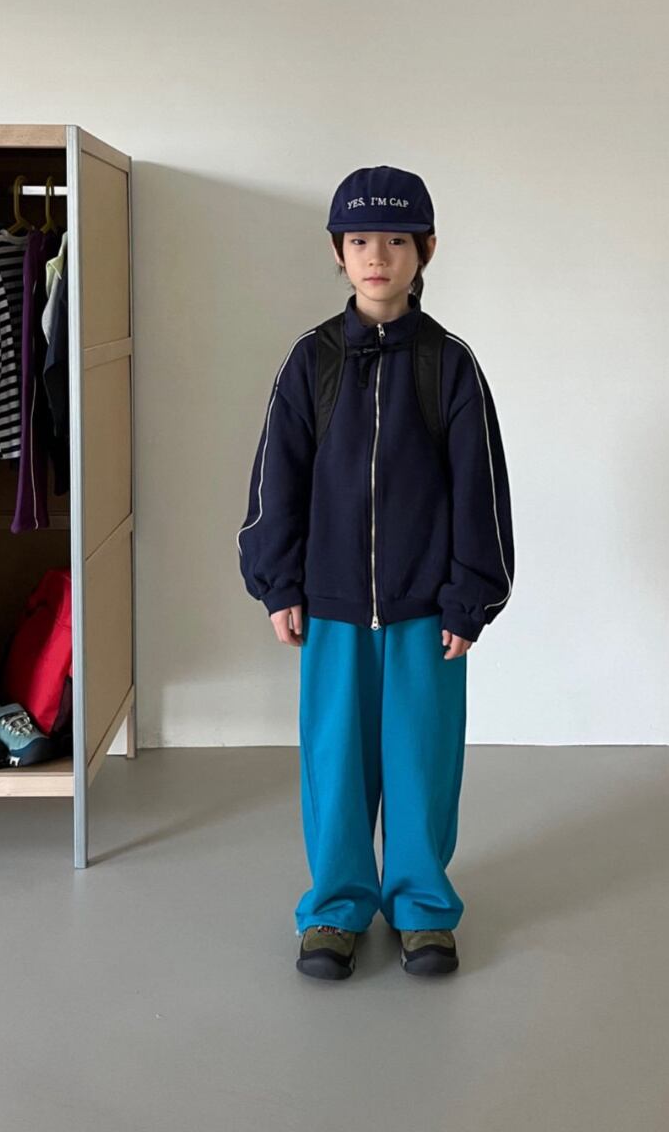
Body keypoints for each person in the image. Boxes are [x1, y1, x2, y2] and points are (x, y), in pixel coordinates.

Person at [236, 165, 515, 980]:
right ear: (338, 250)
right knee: (336, 764)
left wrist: (470, 598)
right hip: (330, 609)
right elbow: (275, 482)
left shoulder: (450, 365)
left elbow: (481, 492)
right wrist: (279, 584)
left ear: (426, 250)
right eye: (360, 239)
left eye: (396, 240)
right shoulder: (311, 362)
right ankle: (336, 907)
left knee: (422, 763)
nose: (377, 256)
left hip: (428, 611)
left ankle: (423, 907)